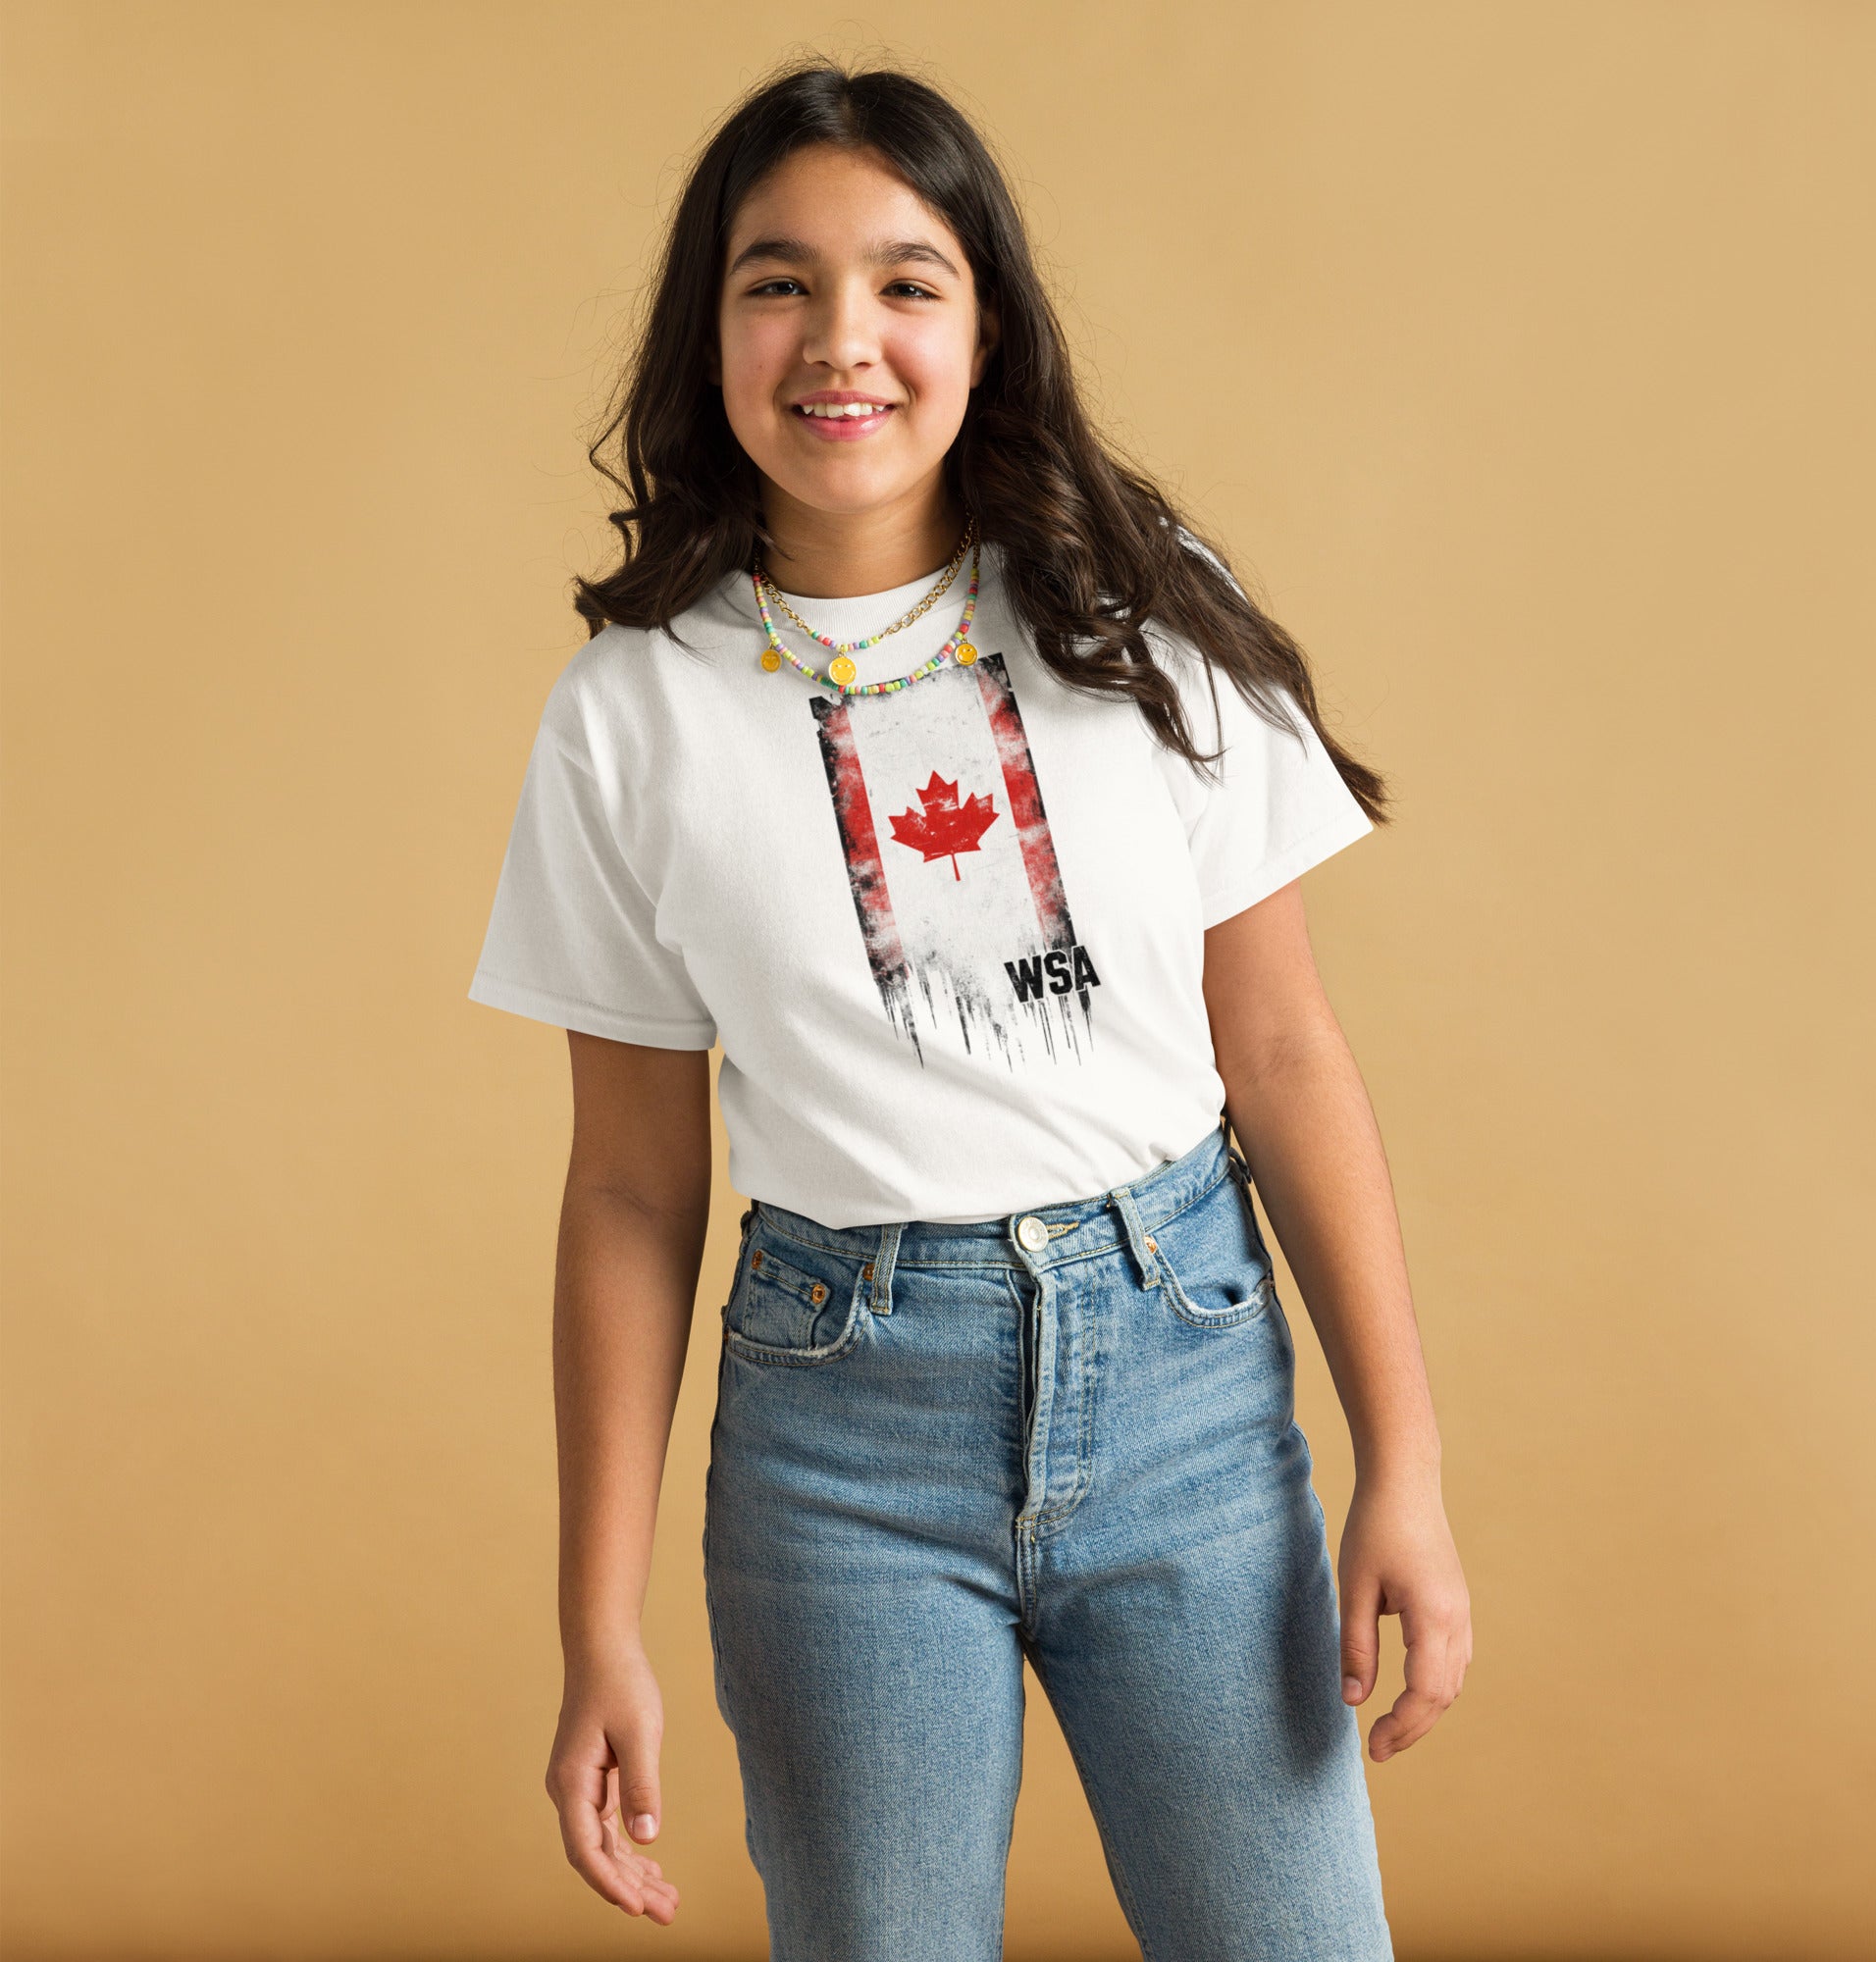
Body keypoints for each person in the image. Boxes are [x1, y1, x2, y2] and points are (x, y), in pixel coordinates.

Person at [468, 59, 1471, 1962]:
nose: (841, 336)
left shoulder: (1142, 616)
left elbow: (1279, 1053)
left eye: (905, 281)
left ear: (985, 325)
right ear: (711, 327)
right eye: (778, 281)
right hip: (842, 1437)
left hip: (1183, 1375)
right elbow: (627, 1189)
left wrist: (1399, 1462)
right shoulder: (628, 714)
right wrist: (596, 1621)